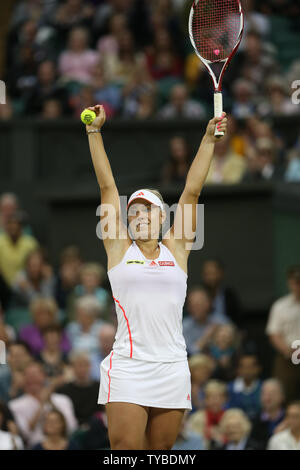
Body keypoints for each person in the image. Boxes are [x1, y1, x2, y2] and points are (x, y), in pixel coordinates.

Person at [84, 104, 227, 450]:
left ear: (163, 217)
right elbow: (107, 185)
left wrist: (208, 139)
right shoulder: (119, 249)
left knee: (160, 453)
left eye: (148, 209)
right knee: (127, 452)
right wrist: (94, 131)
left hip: (172, 367)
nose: (140, 215)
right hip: (128, 367)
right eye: (133, 210)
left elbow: (192, 191)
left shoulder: (177, 248)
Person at [8, 362, 77, 448]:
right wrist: (42, 404)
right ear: (23, 379)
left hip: (63, 445)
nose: (33, 380)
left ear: (44, 376)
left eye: (36, 375)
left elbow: (71, 427)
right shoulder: (15, 405)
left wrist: (50, 402)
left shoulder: (63, 400)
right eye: (29, 376)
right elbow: (26, 433)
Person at [266, 265, 300, 402]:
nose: (298, 286)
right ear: (289, 283)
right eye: (295, 282)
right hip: (287, 356)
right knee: (283, 396)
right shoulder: (280, 306)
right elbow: (274, 333)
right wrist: (288, 350)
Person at [183, 286, 229, 356]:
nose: (195, 308)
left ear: (208, 304)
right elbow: (190, 353)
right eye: (192, 305)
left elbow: (233, 345)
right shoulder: (185, 326)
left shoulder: (221, 321)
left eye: (199, 304)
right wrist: (207, 336)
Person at [0, 212, 38, 286]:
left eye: (16, 225)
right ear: (6, 227)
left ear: (21, 227)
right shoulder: (0, 242)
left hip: (25, 286)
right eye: (10, 225)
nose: (13, 227)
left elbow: (37, 265)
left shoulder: (30, 243)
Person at [187, 380, 227, 450]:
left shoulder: (230, 417)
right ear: (205, 399)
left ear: (224, 399)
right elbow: (193, 442)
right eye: (211, 397)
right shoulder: (196, 418)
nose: (215, 401)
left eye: (219, 397)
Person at [200, 258, 241, 325]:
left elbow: (238, 321)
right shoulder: (198, 295)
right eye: (207, 274)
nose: (210, 278)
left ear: (221, 273)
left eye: (213, 273)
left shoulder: (230, 295)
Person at [251, 379, 285, 449]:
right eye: (264, 393)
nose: (267, 398)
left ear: (282, 396)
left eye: (272, 394)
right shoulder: (254, 421)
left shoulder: (289, 418)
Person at [227, 354, 262, 421]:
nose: (247, 371)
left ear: (257, 369)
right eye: (244, 367)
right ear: (238, 369)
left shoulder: (263, 387)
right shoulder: (230, 388)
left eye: (250, 367)